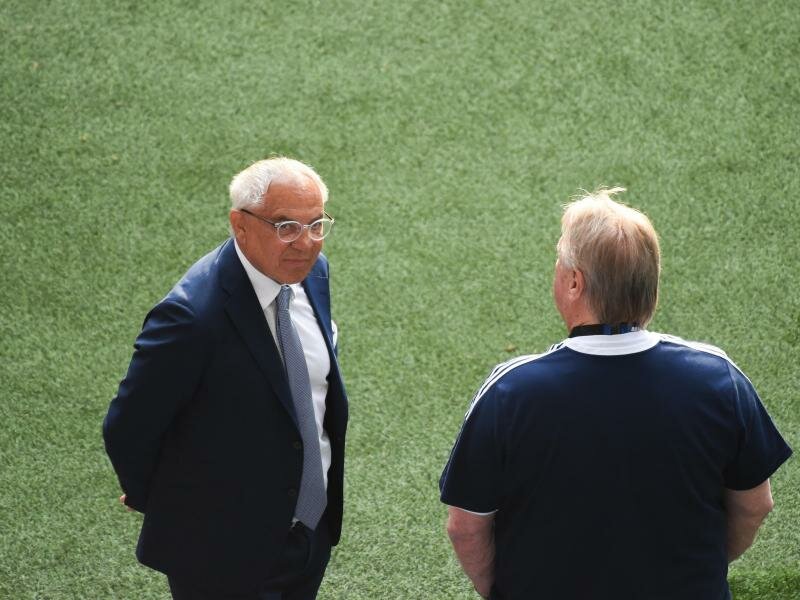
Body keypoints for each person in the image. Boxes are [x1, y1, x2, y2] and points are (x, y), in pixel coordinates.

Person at [439, 188, 792, 599]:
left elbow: (466, 525)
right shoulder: (720, 379)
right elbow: (755, 505)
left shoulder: (508, 391)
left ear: (574, 282)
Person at [103, 157, 348, 600]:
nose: (306, 244)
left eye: (316, 225)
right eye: (286, 226)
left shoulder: (313, 275)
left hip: (309, 533)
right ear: (240, 224)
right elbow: (128, 426)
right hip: (222, 554)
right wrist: (154, 498)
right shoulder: (192, 318)